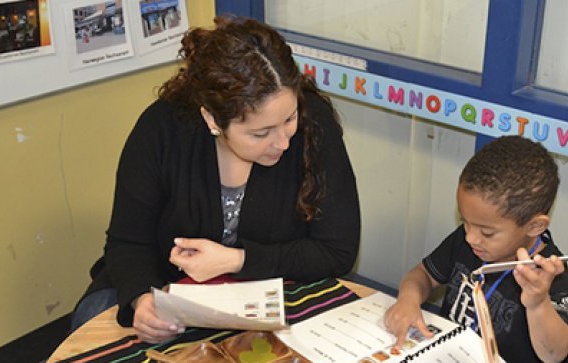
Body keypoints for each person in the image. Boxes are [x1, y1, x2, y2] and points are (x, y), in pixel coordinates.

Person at [71, 15, 361, 343]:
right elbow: (128, 242)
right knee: (93, 325)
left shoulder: (313, 125)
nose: (282, 141)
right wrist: (142, 300)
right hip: (165, 285)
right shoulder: (162, 130)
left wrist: (238, 261)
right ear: (212, 119)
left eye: (289, 118)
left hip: (273, 285)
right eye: (260, 133)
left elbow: (337, 251)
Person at [383, 136, 568, 363]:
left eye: (487, 232)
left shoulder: (548, 276)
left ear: (534, 226)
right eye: (466, 222)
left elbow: (554, 354)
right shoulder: (468, 243)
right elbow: (422, 274)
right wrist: (408, 299)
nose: (471, 237)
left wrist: (537, 303)